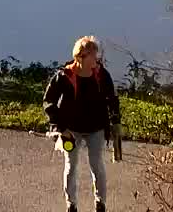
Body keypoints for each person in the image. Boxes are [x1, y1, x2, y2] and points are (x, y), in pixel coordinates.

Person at [42, 36, 121, 212]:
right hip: (71, 130)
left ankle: (100, 203)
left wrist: (115, 122)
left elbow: (112, 99)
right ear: (81, 57)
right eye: (93, 56)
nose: (97, 59)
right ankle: (71, 205)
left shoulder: (101, 74)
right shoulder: (64, 76)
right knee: (71, 166)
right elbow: (48, 102)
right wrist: (60, 129)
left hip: (96, 129)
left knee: (97, 164)